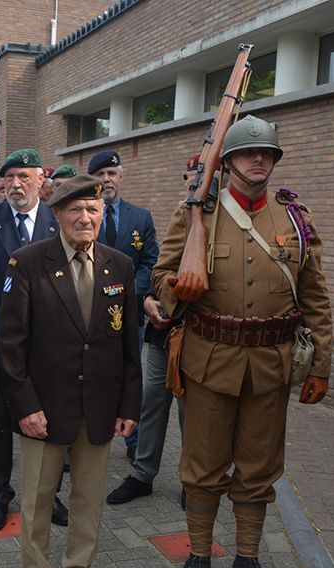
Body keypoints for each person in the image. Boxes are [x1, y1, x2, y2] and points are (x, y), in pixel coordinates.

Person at [153, 115, 333, 568]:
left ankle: (247, 557)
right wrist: (176, 287)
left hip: (272, 366)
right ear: (228, 160)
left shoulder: (295, 216)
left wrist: (321, 363)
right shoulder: (196, 213)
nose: (260, 160)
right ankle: (199, 554)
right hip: (209, 361)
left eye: (268, 153)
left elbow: (315, 296)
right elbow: (160, 275)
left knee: (257, 468)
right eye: (249, 153)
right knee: (203, 467)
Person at [0, 175, 141, 568]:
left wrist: (128, 406)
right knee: (39, 497)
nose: (85, 219)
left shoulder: (120, 266)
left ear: (102, 215)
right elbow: (10, 347)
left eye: (93, 211)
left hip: (99, 405)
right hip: (44, 407)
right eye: (75, 211)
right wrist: (25, 406)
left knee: (89, 495)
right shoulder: (27, 263)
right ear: (57, 215)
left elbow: (127, 346)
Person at [0, 148, 67, 532]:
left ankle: (47, 492)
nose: (16, 184)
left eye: (25, 176)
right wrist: (5, 327)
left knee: (47, 421)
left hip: (49, 348)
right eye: (10, 177)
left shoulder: (59, 222)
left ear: (42, 180)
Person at [107, 156, 193, 505]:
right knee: (151, 403)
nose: (197, 183)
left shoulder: (228, 222)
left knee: (193, 414)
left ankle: (193, 481)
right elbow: (158, 265)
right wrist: (147, 301)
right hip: (163, 332)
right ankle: (143, 474)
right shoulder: (180, 217)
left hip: (200, 336)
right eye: (192, 177)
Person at [88, 149, 159, 461]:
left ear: (120, 177)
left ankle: (135, 443)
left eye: (112, 174)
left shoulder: (140, 218)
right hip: (87, 314)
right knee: (87, 376)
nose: (107, 180)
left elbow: (150, 261)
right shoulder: (83, 214)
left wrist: (129, 292)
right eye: (101, 174)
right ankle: (81, 438)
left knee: (131, 375)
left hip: (129, 315)